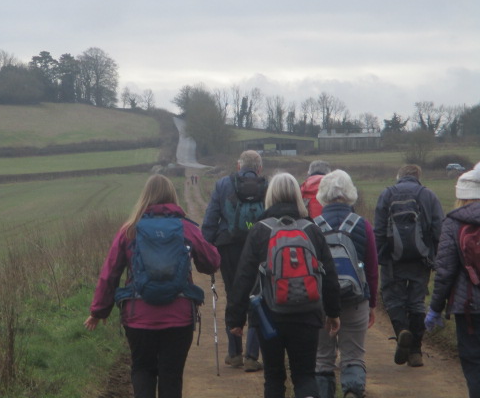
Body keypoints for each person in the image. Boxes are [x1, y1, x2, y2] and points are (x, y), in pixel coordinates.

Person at [84, 174, 220, 398]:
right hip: (179, 318)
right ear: (172, 196)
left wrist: (99, 311)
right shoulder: (186, 228)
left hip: (138, 317)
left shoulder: (129, 231)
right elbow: (212, 263)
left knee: (142, 370)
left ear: (145, 197)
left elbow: (109, 274)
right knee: (171, 375)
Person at [226, 172, 341, 398]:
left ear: (270, 196)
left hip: (269, 317)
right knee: (305, 375)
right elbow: (329, 275)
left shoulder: (260, 230)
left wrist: (236, 319)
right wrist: (333, 312)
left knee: (274, 377)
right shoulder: (312, 229)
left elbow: (243, 278)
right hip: (308, 315)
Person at [314, 170, 379, 398]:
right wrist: (371, 304)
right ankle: (352, 391)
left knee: (322, 358)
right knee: (353, 356)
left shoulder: (313, 226)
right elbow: (371, 269)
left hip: (322, 302)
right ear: (350, 192)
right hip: (355, 301)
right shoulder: (363, 225)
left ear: (323, 194)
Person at [201, 149, 266, 371]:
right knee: (257, 297)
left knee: (233, 295)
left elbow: (210, 220)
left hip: (229, 248)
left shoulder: (222, 185)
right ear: (259, 169)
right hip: (259, 249)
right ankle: (251, 356)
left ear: (239, 167)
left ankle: (234, 353)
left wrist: (206, 250)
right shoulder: (266, 186)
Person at [373, 164, 444, 367]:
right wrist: (436, 257)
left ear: (399, 176)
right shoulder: (428, 195)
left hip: (392, 259)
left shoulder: (386, 194)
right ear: (418, 176)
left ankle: (402, 331)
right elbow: (439, 228)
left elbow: (378, 229)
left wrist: (379, 257)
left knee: (392, 298)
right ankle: (415, 352)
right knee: (416, 301)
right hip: (421, 259)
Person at [426, 163, 480, 397]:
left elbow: (445, 272)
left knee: (474, 361)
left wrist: (435, 309)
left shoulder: (453, 222)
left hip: (468, 307)